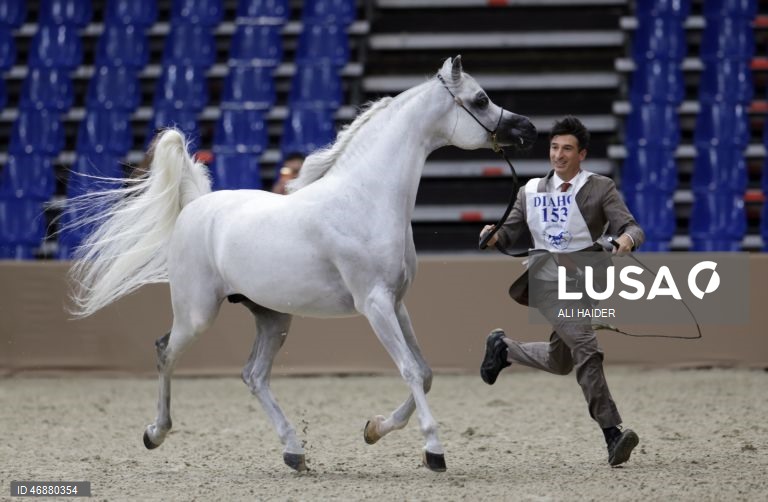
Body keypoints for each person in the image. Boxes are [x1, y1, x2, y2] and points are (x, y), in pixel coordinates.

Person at [478, 116, 645, 467]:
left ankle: (504, 348)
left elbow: (629, 225)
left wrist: (628, 238)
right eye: (554, 147)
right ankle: (612, 432)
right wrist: (492, 235)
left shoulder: (600, 188)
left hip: (586, 280)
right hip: (547, 278)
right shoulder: (530, 191)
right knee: (586, 346)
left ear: (581, 153)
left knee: (561, 360)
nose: (558, 155)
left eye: (567, 148)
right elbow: (506, 234)